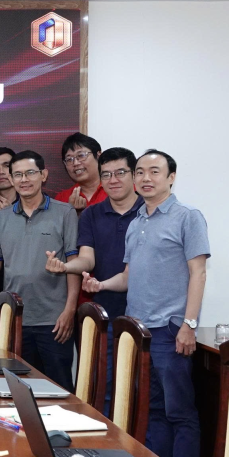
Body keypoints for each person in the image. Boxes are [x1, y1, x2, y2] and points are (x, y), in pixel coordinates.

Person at [83, 150, 209, 457]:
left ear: (171, 177)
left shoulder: (187, 217)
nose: (145, 178)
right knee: (151, 410)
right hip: (139, 333)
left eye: (154, 171)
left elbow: (198, 273)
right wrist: (100, 284)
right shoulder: (136, 222)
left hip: (170, 331)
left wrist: (189, 324)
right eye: (140, 172)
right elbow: (128, 276)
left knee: (179, 413)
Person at [0, 150, 79, 391]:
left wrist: (69, 311)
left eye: (30, 173)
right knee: (18, 390)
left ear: (43, 175)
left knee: (59, 389)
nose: (24, 179)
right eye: (17, 175)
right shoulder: (1, 218)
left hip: (54, 321)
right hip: (15, 320)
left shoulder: (65, 213)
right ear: (11, 179)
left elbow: (74, 266)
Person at [45, 147, 142, 414]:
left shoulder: (148, 211)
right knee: (104, 386)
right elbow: (87, 259)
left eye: (120, 173)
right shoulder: (91, 214)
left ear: (134, 175)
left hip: (145, 313)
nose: (113, 180)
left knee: (143, 387)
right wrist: (66, 266)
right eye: (106, 174)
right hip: (105, 311)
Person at [54, 132, 107, 212]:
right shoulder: (61, 199)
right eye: (69, 159)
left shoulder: (115, 189)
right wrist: (71, 212)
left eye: (81, 155)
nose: (75, 163)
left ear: (99, 156)